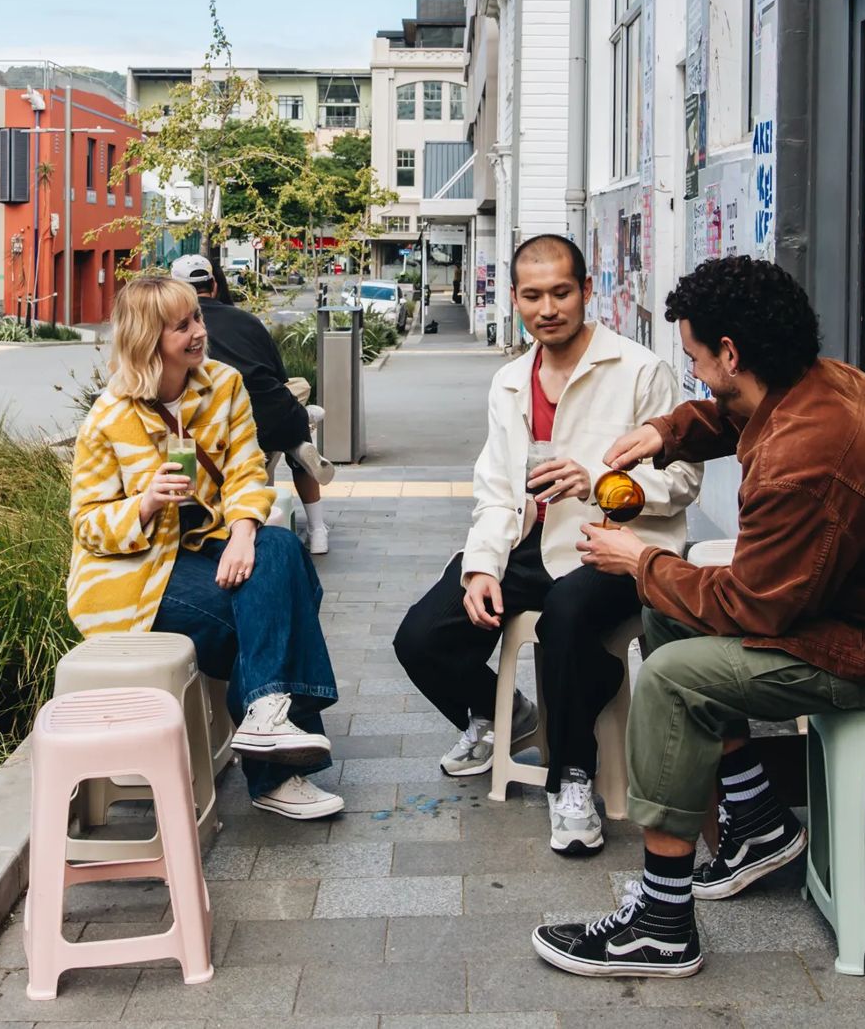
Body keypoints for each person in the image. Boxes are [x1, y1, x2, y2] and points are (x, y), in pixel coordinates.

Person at [534, 256, 865, 979]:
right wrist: (664, 433)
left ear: (731, 354)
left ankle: (661, 925)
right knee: (668, 620)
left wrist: (640, 562)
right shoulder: (820, 384)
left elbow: (753, 605)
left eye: (693, 358)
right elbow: (732, 412)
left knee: (675, 677)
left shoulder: (807, 458)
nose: (692, 373)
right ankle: (755, 824)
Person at [394, 234, 701, 855]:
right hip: (532, 543)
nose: (548, 308)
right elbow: (495, 491)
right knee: (422, 635)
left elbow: (683, 480)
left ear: (587, 291)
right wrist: (482, 566)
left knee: (566, 620)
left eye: (561, 292)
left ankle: (573, 780)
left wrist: (602, 483)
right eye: (532, 296)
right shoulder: (509, 382)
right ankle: (507, 715)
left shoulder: (640, 370)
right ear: (513, 299)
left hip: (616, 546)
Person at [68, 273, 344, 821]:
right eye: (182, 325)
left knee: (281, 552)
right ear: (149, 339)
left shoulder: (223, 385)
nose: (199, 332)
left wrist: (244, 533)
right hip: (139, 572)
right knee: (277, 607)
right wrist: (144, 504)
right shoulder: (110, 417)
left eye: (197, 317)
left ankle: (266, 715)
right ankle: (276, 767)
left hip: (211, 545)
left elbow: (246, 471)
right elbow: (87, 523)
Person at [169, 253, 338, 555]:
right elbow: (277, 375)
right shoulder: (246, 320)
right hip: (274, 410)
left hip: (224, 420)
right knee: (296, 407)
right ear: (215, 285)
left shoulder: (175, 332)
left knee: (242, 456)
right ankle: (317, 530)